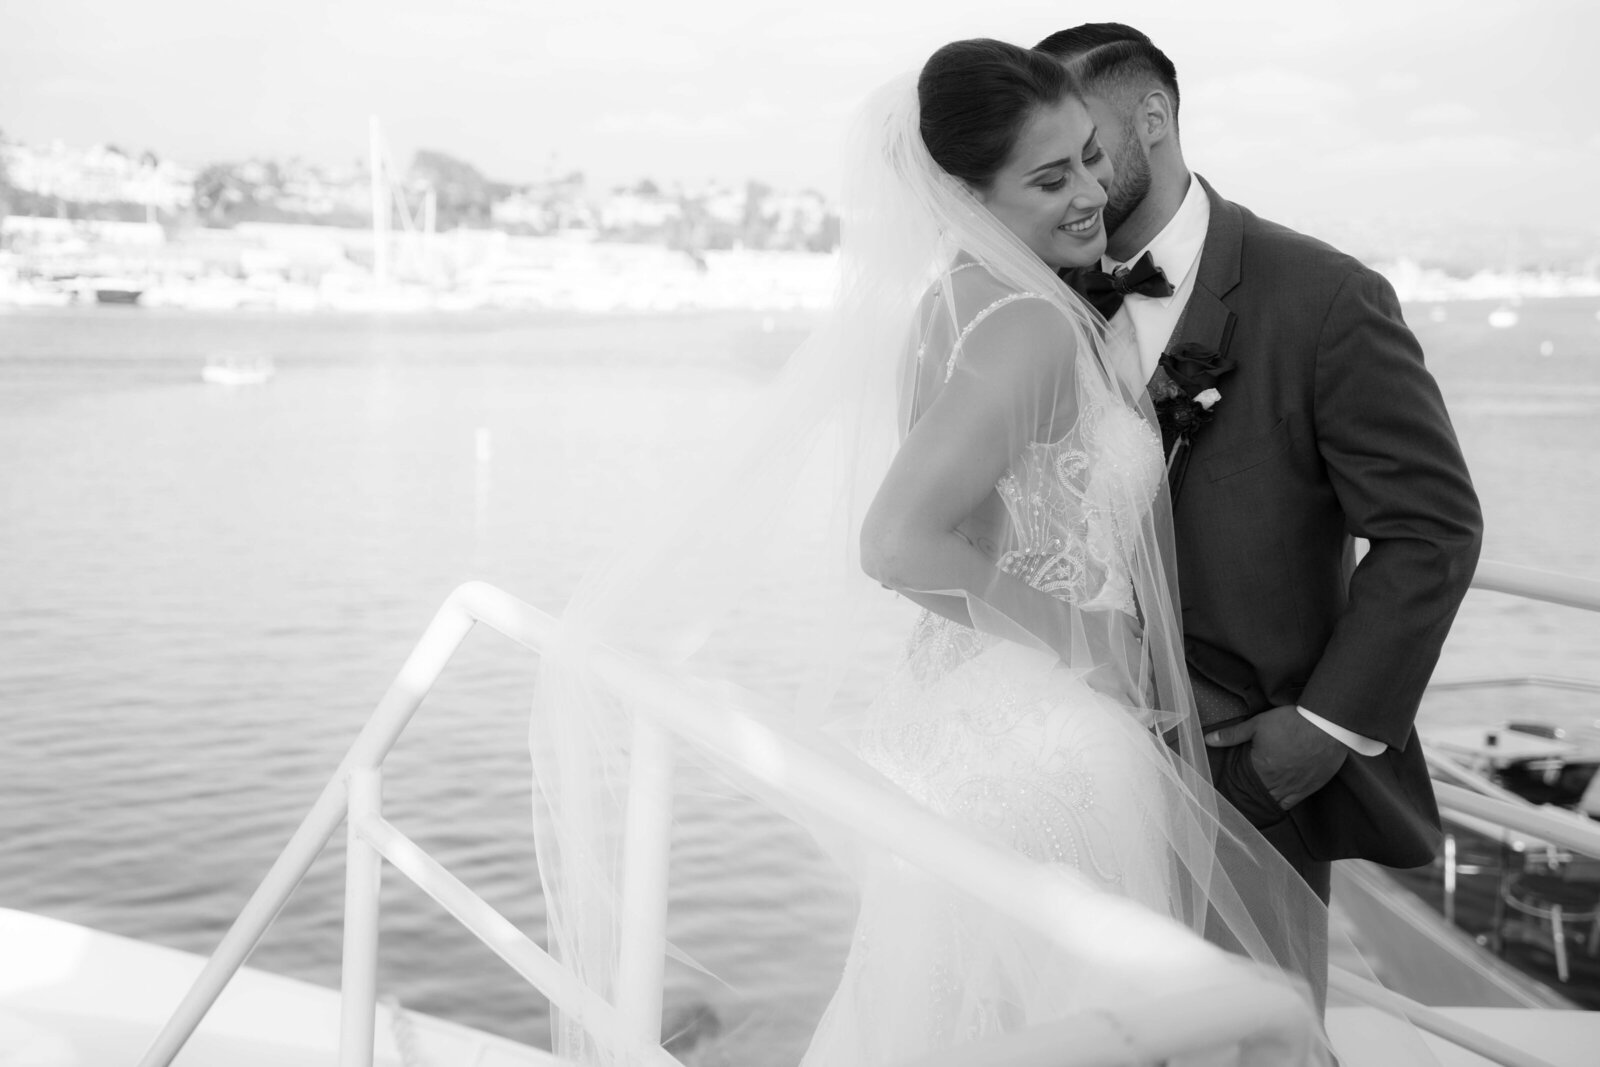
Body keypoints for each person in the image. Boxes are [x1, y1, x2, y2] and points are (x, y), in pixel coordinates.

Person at [1034, 23, 1483, 903]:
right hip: (1076, 756)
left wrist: (1323, 729)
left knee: (1253, 1033)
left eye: (1083, 144)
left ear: (1153, 116)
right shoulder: (1038, 295)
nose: (1069, 177)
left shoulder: (1324, 297)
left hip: (1251, 770)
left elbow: (1431, 531)